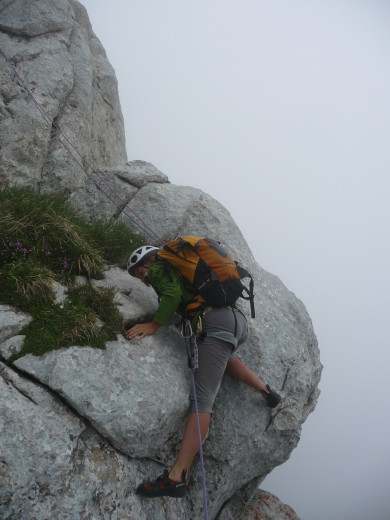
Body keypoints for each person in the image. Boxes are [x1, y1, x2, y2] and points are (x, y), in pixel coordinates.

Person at [126, 245, 281, 498]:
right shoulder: (179, 267)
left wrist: (154, 324)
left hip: (215, 322)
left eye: (140, 272)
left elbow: (173, 293)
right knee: (223, 359)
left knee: (202, 400)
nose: (143, 279)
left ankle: (177, 476)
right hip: (235, 322)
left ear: (149, 261)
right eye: (138, 277)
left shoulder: (158, 268)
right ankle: (266, 391)